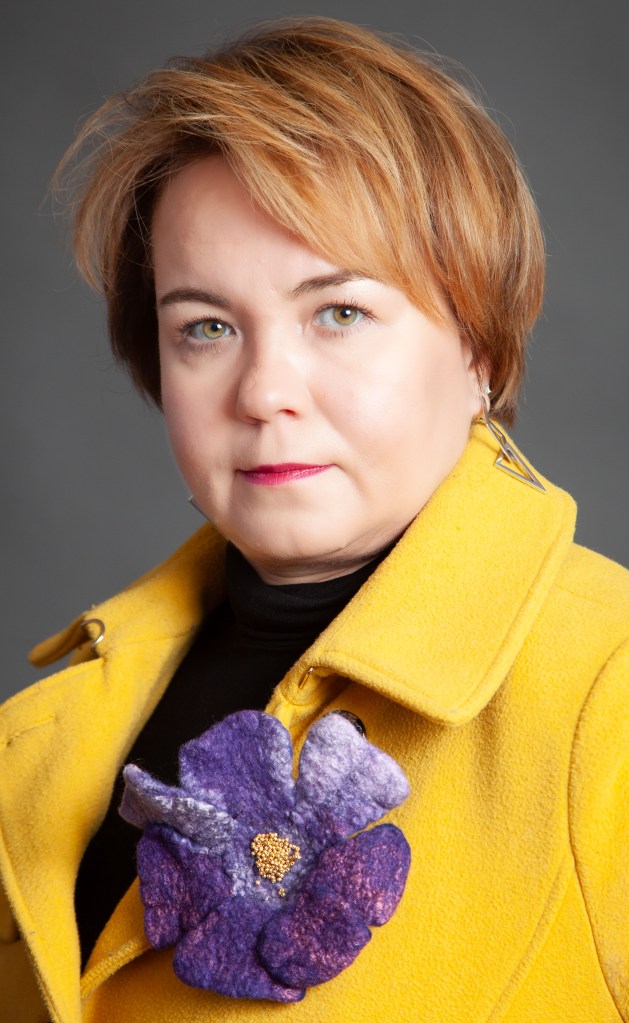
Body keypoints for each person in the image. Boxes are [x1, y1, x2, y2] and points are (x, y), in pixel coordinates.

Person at [0, 16, 627, 1023]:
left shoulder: (611, 692)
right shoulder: (55, 724)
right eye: (206, 327)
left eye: (338, 312)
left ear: (477, 345)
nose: (262, 391)